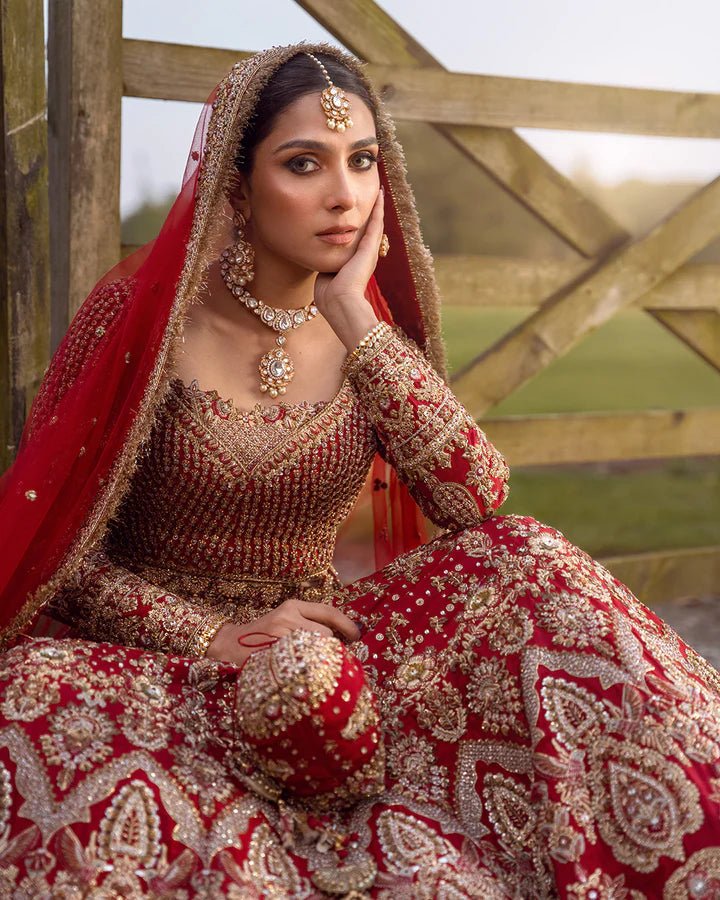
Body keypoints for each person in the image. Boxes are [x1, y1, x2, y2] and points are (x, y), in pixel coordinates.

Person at [0, 42, 718, 898]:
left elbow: (476, 498)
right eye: (305, 164)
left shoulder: (367, 335)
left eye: (363, 161)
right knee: (30, 709)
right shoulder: (143, 321)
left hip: (331, 644)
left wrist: (353, 319)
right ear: (237, 181)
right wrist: (213, 639)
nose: (345, 195)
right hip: (158, 656)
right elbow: (59, 547)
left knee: (530, 557)